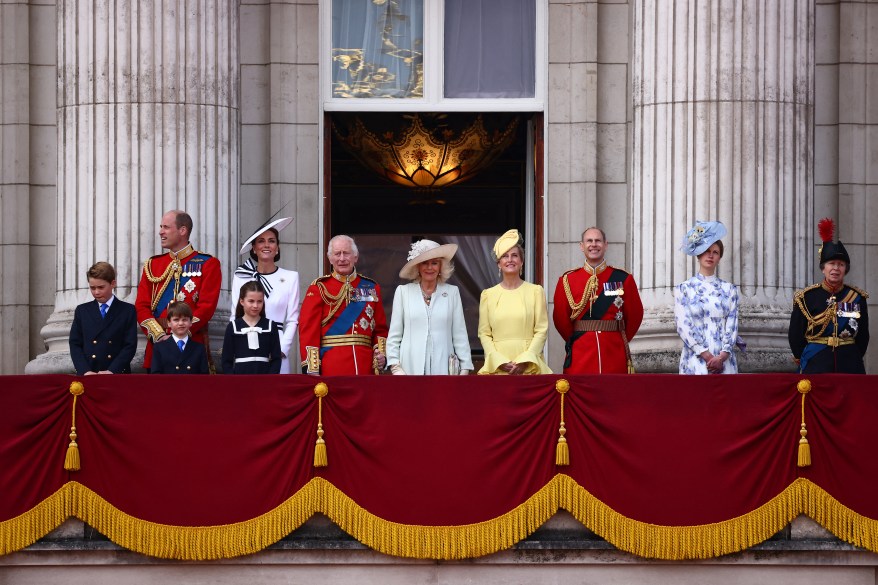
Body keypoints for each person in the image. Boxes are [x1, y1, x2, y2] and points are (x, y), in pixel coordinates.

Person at [135, 210, 221, 371]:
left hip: (191, 347)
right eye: (161, 227)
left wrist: (180, 334)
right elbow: (141, 306)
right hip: (157, 348)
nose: (160, 231)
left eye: (166, 227)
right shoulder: (152, 265)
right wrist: (159, 335)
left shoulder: (208, 263)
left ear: (182, 230)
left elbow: (207, 307)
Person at [552, 227, 643, 374]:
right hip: (581, 356)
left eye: (598, 241)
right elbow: (560, 319)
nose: (593, 244)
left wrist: (618, 339)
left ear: (605, 245)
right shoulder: (567, 280)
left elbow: (635, 316)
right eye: (589, 241)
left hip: (614, 353)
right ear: (582, 246)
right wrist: (577, 339)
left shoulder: (623, 279)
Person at [299, 235, 389, 375]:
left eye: (346, 253)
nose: (342, 259)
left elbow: (380, 328)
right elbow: (308, 330)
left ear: (355, 257)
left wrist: (381, 355)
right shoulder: (319, 288)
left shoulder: (370, 287)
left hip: (365, 366)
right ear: (330, 258)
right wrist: (312, 368)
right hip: (332, 365)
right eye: (337, 254)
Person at [789, 218, 869, 374]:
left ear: (845, 269)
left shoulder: (857, 297)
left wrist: (853, 356)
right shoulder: (806, 297)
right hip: (816, 362)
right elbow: (796, 335)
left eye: (841, 264)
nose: (836, 268)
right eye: (831, 263)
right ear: (823, 268)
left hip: (849, 362)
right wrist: (803, 356)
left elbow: (863, 336)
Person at [386, 239, 473, 375]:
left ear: (440, 267)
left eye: (434, 263)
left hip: (444, 368)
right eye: (424, 263)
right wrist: (395, 367)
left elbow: (460, 334)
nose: (429, 267)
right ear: (417, 267)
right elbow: (394, 335)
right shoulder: (403, 292)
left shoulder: (452, 292)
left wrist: (465, 368)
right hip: (409, 369)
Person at [230, 216, 300, 373]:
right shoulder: (241, 276)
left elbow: (293, 319)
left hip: (277, 345)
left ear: (278, 247)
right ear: (253, 248)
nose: (266, 245)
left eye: (271, 240)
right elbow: (235, 315)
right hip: (247, 345)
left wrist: (282, 349)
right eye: (261, 241)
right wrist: (238, 346)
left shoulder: (291, 277)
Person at [478, 229, 552, 375]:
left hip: (529, 365)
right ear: (499, 263)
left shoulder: (536, 291)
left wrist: (526, 360)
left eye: (514, 256)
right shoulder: (488, 295)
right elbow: (484, 333)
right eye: (505, 256)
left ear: (521, 261)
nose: (510, 260)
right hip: (498, 366)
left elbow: (541, 330)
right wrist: (498, 360)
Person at [674, 221, 739, 374]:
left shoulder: (729, 289)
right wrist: (707, 355)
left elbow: (732, 324)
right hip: (695, 360)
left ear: (719, 257)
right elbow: (683, 325)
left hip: (724, 361)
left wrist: (722, 356)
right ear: (698, 254)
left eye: (715, 252)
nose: (710, 255)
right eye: (706, 250)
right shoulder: (684, 289)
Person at [69, 261, 138, 375]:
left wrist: (112, 371)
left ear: (113, 283)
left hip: (117, 374)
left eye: (101, 287)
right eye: (92, 288)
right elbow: (75, 344)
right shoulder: (82, 311)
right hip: (89, 374)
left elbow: (129, 346)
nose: (96, 292)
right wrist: (85, 371)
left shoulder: (127, 310)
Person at [222, 281, 283, 374]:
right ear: (242, 301)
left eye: (259, 301)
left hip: (265, 381)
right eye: (251, 301)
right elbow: (226, 361)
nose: (255, 305)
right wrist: (233, 381)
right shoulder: (233, 327)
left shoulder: (271, 326)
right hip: (240, 381)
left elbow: (276, 358)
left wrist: (271, 379)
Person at [150, 302, 210, 374]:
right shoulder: (159, 347)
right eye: (176, 320)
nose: (181, 323)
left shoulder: (199, 348)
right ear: (169, 322)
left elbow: (204, 378)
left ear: (191, 322)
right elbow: (156, 376)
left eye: (184, 320)